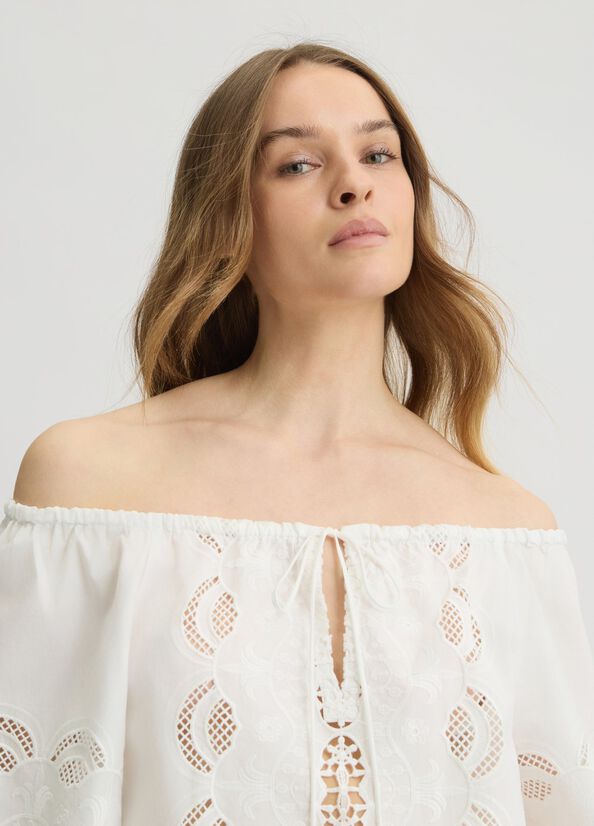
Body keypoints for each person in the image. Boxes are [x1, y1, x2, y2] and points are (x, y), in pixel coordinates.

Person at [1, 41, 593, 825]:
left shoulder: (506, 533)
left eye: (378, 154)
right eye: (298, 165)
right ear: (228, 216)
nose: (354, 184)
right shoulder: (90, 486)